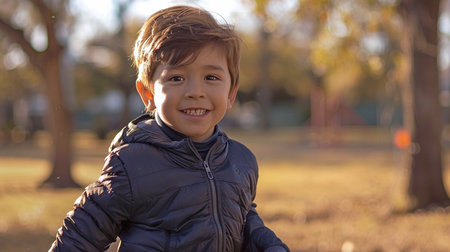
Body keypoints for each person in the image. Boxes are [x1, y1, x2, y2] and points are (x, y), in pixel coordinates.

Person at [49, 5, 289, 252]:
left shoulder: (241, 160)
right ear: (148, 93)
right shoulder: (131, 164)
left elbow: (242, 217)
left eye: (211, 77)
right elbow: (80, 236)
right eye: (177, 78)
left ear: (231, 93)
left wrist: (268, 243)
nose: (195, 92)